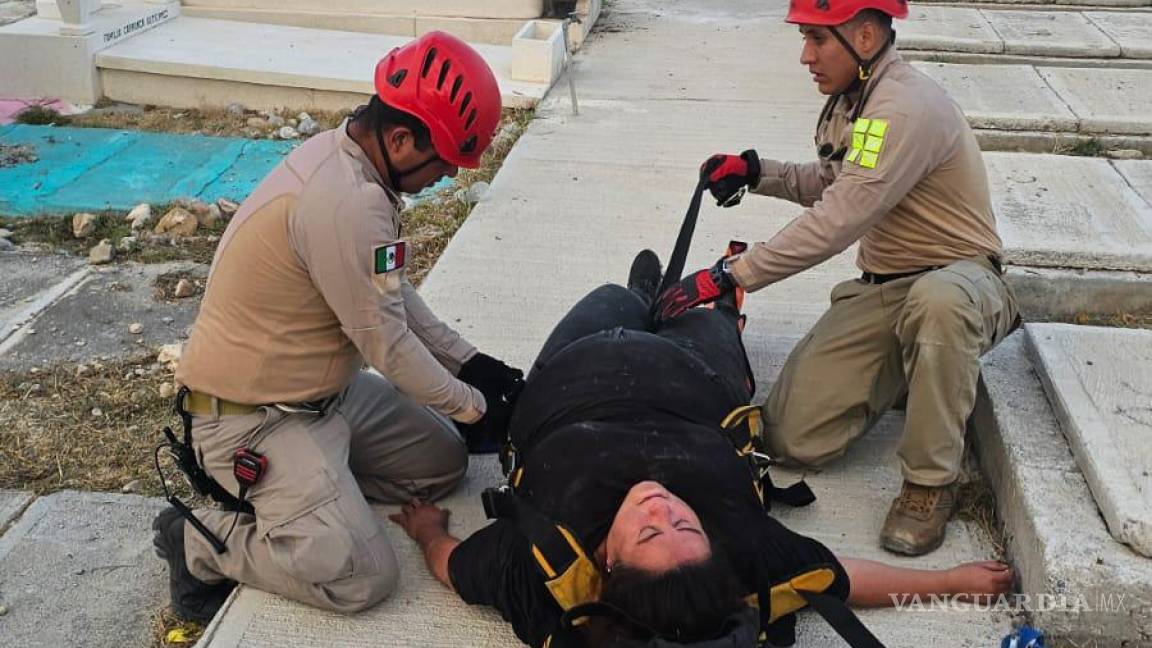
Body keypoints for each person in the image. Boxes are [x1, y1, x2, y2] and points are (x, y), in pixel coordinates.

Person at [390, 251, 1014, 648]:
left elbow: (452, 566)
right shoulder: (731, 553)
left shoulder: (538, 570)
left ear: (609, 565)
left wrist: (425, 529)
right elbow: (842, 578)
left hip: (574, 369)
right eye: (682, 523)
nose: (661, 506)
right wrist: (948, 581)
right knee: (704, 305)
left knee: (615, 295)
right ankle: (713, 302)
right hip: (690, 375)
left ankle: (642, 294)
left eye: (650, 533)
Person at [151, 31, 525, 623]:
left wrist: (473, 365)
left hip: (330, 396)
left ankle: (315, 492)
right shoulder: (345, 201)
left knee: (443, 464)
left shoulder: (360, 165)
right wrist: (477, 408)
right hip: (252, 419)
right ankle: (198, 541)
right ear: (402, 140)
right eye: (445, 163)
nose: (447, 178)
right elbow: (388, 345)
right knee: (361, 576)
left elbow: (391, 294)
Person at [654, 0, 1020, 556]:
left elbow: (839, 219)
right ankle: (916, 365)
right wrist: (757, 173)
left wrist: (730, 275)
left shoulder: (903, 108)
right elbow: (833, 180)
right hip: (888, 287)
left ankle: (930, 482)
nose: (805, 56)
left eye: (817, 39)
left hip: (961, 281)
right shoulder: (860, 102)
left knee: (938, 306)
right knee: (791, 438)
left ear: (866, 36)